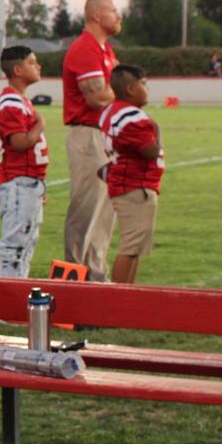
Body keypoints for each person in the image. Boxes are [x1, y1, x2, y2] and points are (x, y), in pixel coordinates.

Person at [62, 0, 121, 280]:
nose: (118, 15)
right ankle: (76, 276)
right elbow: (98, 96)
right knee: (87, 207)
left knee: (105, 210)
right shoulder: (85, 48)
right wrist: (121, 89)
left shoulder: (104, 49)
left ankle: (97, 276)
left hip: (105, 134)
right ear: (97, 15)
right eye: (113, 10)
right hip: (88, 135)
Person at [97, 65, 162, 285]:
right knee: (130, 247)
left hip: (125, 181)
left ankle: (128, 295)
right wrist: (156, 129)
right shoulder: (133, 116)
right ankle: (119, 298)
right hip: (135, 185)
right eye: (144, 84)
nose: (147, 88)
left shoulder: (110, 111)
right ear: (132, 89)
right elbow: (150, 151)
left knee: (133, 247)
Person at [0, 45, 49, 279]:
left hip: (28, 180)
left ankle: (17, 297)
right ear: (18, 69)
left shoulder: (19, 100)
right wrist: (39, 124)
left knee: (27, 241)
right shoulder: (10, 103)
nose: (38, 66)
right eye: (32, 62)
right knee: (14, 244)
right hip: (17, 179)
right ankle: (5, 304)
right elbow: (20, 142)